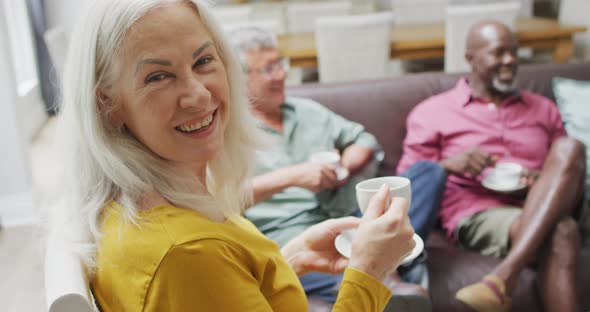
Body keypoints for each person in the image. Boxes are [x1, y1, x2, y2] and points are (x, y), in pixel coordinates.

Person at [51, 0, 417, 311]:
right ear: (107, 102)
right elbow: (198, 269)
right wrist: (369, 272)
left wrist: (287, 260)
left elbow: (218, 292)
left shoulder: (147, 205)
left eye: (203, 61)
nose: (197, 95)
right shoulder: (187, 254)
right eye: (158, 77)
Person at [229, 26, 447, 309]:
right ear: (240, 79)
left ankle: (387, 264)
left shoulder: (307, 111)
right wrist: (292, 176)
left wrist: (345, 165)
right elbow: (222, 200)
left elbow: (363, 140)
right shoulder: (229, 135)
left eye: (280, 64)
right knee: (296, 259)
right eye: (268, 69)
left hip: (346, 217)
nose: (281, 74)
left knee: (428, 173)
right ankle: (393, 273)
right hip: (293, 235)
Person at [397, 21, 585, 312]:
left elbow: (567, 173)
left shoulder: (543, 108)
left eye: (513, 52)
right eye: (498, 53)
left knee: (570, 148)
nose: (509, 60)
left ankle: (502, 279)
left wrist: (540, 179)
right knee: (563, 231)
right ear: (470, 58)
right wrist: (449, 165)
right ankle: (506, 277)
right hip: (478, 211)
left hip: (538, 202)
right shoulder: (433, 112)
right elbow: (407, 182)